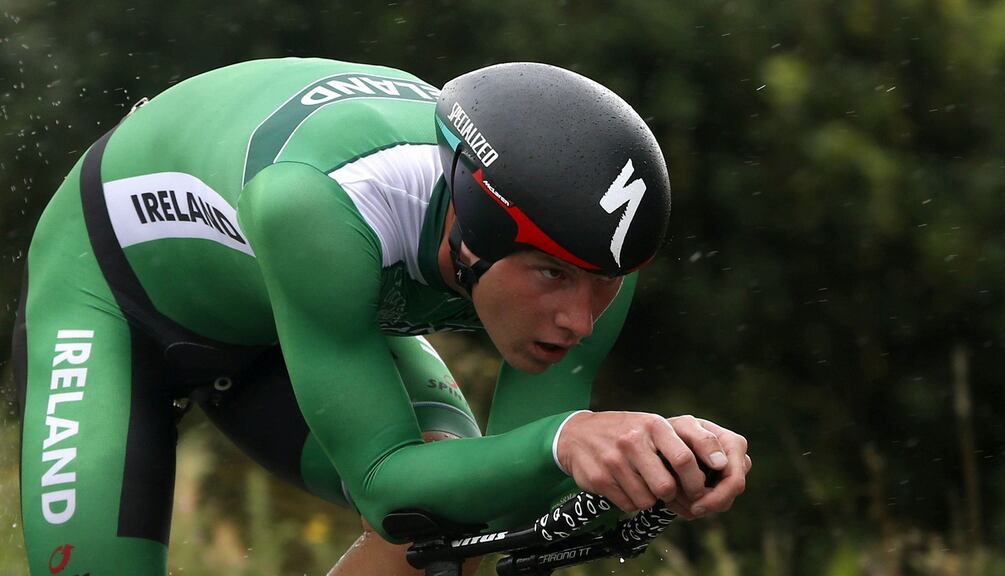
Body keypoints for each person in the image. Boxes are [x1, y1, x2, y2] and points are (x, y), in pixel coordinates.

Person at [12, 57, 752, 575]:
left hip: (299, 308)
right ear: (473, 233)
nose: (580, 319)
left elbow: (526, 496)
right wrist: (566, 440)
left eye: (604, 287)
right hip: (111, 294)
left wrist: (662, 462)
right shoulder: (322, 205)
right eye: (552, 277)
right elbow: (387, 483)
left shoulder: (595, 259)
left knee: (455, 519)